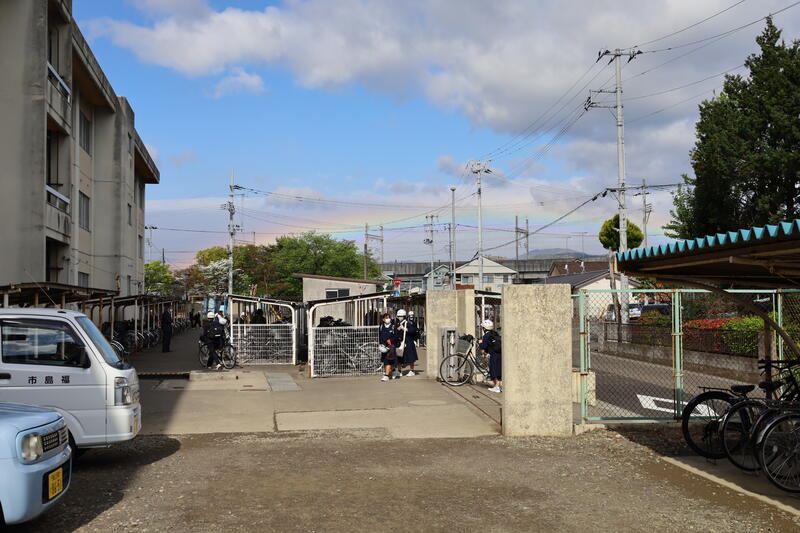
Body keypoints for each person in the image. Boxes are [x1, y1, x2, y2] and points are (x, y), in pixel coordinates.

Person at [479, 319, 502, 392]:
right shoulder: (494, 333)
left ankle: (497, 387)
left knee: (494, 370)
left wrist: (480, 343)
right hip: (499, 353)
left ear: (484, 328)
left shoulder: (486, 335)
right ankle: (497, 386)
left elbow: (484, 346)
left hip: (494, 355)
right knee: (497, 370)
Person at [395, 309, 419, 377]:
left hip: (408, 342)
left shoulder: (408, 323)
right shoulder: (397, 324)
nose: (399, 317)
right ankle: (399, 371)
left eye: (401, 316)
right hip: (400, 343)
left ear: (404, 316)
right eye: (398, 316)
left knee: (410, 357)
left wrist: (405, 329)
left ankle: (412, 371)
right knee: (399, 357)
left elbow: (413, 331)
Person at [379, 313, 398, 382]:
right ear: (383, 319)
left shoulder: (393, 326)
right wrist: (381, 344)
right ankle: (393, 370)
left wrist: (391, 340)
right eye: (386, 318)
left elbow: (396, 336)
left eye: (389, 318)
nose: (388, 319)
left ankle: (386, 375)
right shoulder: (381, 327)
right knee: (385, 360)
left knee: (388, 360)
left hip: (391, 346)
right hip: (383, 347)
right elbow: (380, 336)